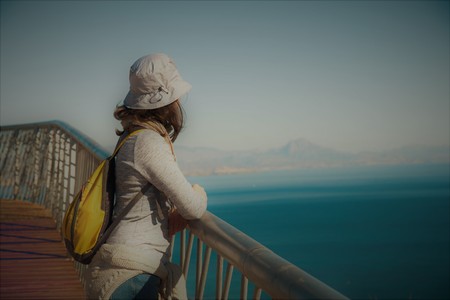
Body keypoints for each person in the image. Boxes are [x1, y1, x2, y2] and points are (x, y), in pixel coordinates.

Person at [85, 53, 208, 300]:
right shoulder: (148, 142)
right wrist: (199, 191)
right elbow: (193, 208)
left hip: (122, 266)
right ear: (167, 101)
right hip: (132, 276)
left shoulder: (131, 136)